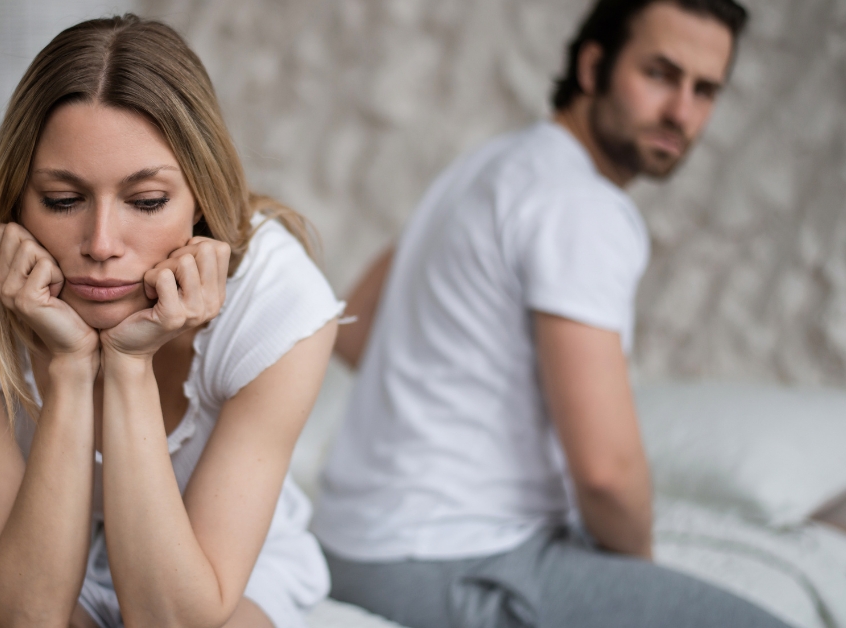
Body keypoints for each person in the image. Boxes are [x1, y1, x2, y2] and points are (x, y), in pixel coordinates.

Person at [312, 1, 795, 626]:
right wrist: (638, 583)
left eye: (704, 90)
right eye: (660, 74)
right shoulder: (580, 205)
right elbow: (606, 474)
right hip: (452, 555)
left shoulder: (489, 165)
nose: (681, 112)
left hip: (350, 542)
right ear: (593, 67)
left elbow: (356, 330)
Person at [0, 16, 341, 628]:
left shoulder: (277, 302)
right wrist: (72, 369)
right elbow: (23, 614)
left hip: (210, 559)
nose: (102, 244)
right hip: (21, 547)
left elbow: (175, 620)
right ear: (17, 199)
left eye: (147, 201)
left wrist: (130, 365)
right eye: (62, 200)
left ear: (201, 199)